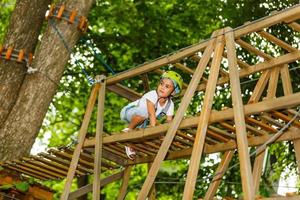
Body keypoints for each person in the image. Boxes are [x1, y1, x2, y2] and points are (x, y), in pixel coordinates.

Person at [120, 71, 183, 159]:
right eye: (161, 84)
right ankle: (128, 129)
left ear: (173, 92)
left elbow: (169, 121)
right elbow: (151, 113)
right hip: (129, 112)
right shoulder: (152, 94)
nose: (162, 87)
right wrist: (153, 127)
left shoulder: (170, 104)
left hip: (143, 120)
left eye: (167, 86)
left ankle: (130, 145)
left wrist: (168, 135)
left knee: (154, 130)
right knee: (146, 114)